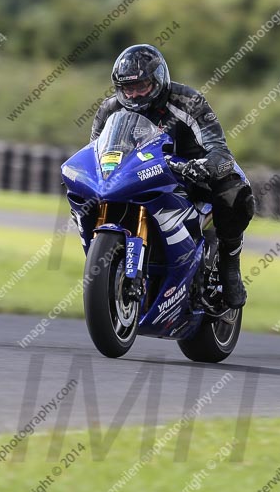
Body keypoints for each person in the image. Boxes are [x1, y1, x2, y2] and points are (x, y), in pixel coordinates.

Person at [90, 44, 255, 308]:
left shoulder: (188, 102)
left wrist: (205, 165)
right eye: (127, 88)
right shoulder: (110, 109)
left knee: (234, 185)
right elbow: (96, 151)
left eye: (141, 86)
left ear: (158, 80)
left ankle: (230, 265)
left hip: (188, 175)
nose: (134, 94)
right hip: (136, 177)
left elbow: (219, 149)